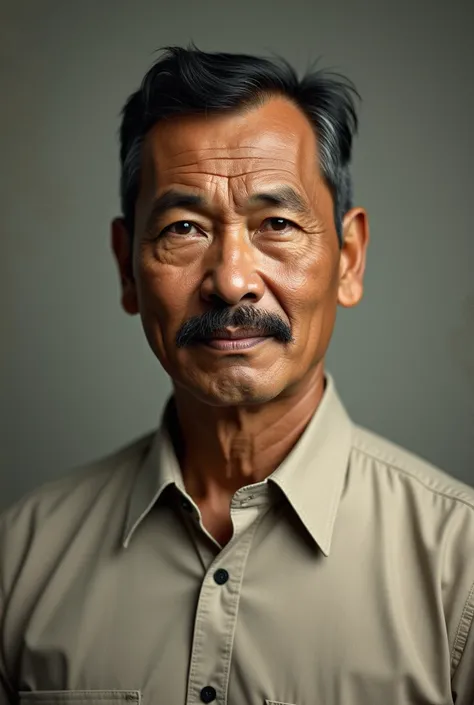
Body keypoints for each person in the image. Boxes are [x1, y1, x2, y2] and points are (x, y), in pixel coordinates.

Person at [0, 45, 473, 705]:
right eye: (184, 228)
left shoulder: (461, 569)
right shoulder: (21, 559)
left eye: (276, 223)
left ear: (349, 258)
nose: (231, 280)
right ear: (125, 267)